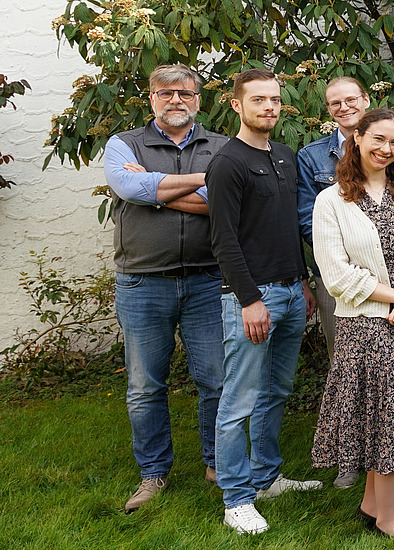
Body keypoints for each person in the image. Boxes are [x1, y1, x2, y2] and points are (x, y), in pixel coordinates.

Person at [309, 108, 394, 539]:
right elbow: (337, 274)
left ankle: (372, 506)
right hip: (368, 325)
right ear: (357, 138)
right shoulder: (332, 201)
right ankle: (389, 518)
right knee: (393, 416)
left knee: (390, 415)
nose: (386, 149)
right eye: (378, 139)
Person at [104, 64, 228, 513]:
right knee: (144, 386)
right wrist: (202, 180)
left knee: (216, 380)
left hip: (207, 280)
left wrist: (153, 187)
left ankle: (218, 464)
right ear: (152, 98)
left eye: (185, 93)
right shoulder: (124, 144)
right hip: (142, 282)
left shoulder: (221, 147)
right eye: (166, 93)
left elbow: (226, 203)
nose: (176, 100)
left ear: (198, 100)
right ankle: (153, 473)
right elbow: (127, 186)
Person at [207, 69, 321, 535]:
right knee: (239, 401)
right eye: (258, 100)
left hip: (291, 291)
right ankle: (236, 498)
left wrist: (304, 282)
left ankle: (267, 478)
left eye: (274, 99)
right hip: (254, 298)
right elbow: (223, 240)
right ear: (237, 105)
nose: (269, 107)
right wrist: (250, 299)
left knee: (276, 392)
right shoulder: (227, 162)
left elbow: (289, 226)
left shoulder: (284, 155)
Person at [296, 76, 371, 490]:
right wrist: (349, 259)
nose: (344, 107)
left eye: (350, 99)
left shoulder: (389, 142)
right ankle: (349, 456)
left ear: (365, 99)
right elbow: (307, 219)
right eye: (334, 103)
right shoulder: (312, 157)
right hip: (336, 277)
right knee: (343, 365)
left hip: (391, 275)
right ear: (328, 110)